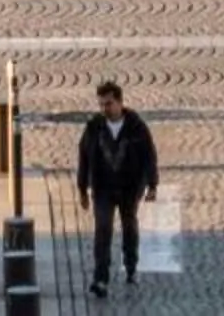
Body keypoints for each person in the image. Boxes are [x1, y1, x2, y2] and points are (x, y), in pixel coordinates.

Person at [76, 78, 160, 296]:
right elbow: (84, 157)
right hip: (102, 188)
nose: (105, 108)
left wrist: (152, 184)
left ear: (120, 102)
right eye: (101, 104)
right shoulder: (94, 127)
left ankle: (131, 265)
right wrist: (82, 188)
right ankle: (100, 278)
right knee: (102, 229)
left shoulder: (136, 126)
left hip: (129, 187)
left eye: (109, 103)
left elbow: (149, 155)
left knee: (129, 226)